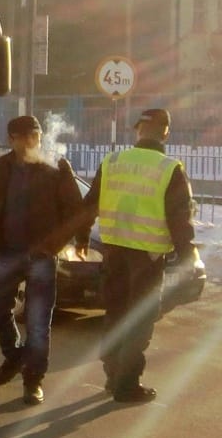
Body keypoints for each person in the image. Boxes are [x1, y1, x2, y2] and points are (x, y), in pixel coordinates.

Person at [82, 108, 194, 404]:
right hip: (148, 257)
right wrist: (188, 257)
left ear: (138, 131)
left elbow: (89, 205)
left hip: (114, 251)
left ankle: (113, 374)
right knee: (139, 319)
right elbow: (179, 220)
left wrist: (82, 238)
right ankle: (126, 385)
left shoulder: (113, 161)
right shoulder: (169, 168)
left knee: (116, 313)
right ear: (166, 131)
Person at [0, 115, 87, 405]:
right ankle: (14, 357)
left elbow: (76, 209)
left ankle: (33, 380)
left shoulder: (55, 168)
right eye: (26, 137)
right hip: (6, 252)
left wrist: (57, 244)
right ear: (12, 139)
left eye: (36, 137)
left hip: (41, 257)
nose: (33, 143)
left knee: (38, 323)